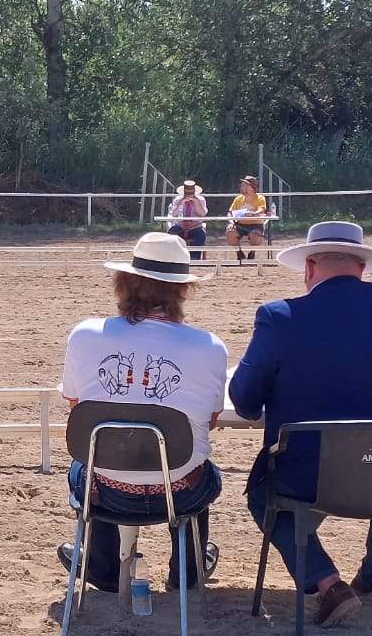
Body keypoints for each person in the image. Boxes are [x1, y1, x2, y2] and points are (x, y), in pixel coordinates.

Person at [228, 221, 372, 629]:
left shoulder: (278, 317)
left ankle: (328, 584)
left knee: (263, 492)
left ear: (310, 267)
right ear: (361, 268)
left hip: (314, 472)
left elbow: (243, 400)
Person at [56, 232, 226, 594]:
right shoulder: (209, 347)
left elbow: (78, 409)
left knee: (91, 457)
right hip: (179, 492)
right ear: (182, 291)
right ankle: (189, 570)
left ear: (124, 285)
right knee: (202, 469)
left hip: (109, 492)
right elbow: (210, 422)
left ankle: (101, 566)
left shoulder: (84, 335)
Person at [225, 175, 272, 259]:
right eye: (242, 185)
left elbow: (261, 209)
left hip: (255, 224)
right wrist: (231, 222)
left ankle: (252, 252)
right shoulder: (238, 199)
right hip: (239, 224)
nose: (242, 187)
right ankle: (239, 253)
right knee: (230, 232)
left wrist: (253, 214)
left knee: (255, 235)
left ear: (252, 187)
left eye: (244, 185)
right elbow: (230, 212)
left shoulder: (260, 198)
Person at [166, 180, 209, 260]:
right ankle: (173, 259)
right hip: (180, 226)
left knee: (200, 235)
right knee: (172, 234)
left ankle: (194, 258)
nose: (189, 195)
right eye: (187, 193)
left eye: (191, 193)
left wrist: (196, 202)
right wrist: (181, 203)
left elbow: (202, 214)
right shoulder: (177, 199)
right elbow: (174, 214)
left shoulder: (201, 199)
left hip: (195, 226)